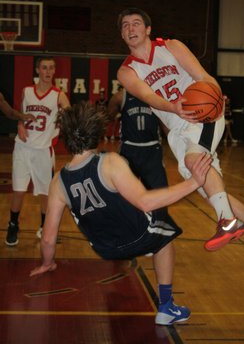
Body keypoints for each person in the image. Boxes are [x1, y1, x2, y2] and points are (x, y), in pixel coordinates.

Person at [30, 101, 212, 325]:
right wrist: (193, 183)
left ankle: (136, 252)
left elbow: (48, 239)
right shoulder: (110, 162)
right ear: (97, 131)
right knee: (165, 234)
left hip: (104, 248)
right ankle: (166, 307)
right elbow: (145, 202)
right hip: (139, 236)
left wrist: (47, 263)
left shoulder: (58, 181)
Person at [116, 8, 244, 258]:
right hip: (178, 131)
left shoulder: (171, 46)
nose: (130, 28)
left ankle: (227, 222)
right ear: (122, 34)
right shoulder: (126, 71)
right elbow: (149, 96)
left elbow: (203, 77)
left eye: (136, 23)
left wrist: (215, 97)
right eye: (125, 26)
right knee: (215, 194)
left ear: (148, 29)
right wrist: (173, 107)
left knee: (194, 163)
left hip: (203, 115)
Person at [5, 56, 70, 246]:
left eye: (51, 68)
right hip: (23, 148)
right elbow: (20, 113)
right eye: (44, 68)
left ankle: (44, 228)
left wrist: (65, 118)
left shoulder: (59, 95)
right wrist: (20, 124)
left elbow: (68, 113)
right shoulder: (27, 91)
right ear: (37, 70)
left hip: (43, 150)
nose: (48, 72)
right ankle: (13, 225)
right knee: (18, 191)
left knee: (45, 194)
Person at [108, 87, 167, 193]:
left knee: (159, 194)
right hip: (129, 150)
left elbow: (165, 123)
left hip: (152, 150)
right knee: (125, 195)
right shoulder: (121, 97)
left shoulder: (157, 95)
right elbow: (107, 118)